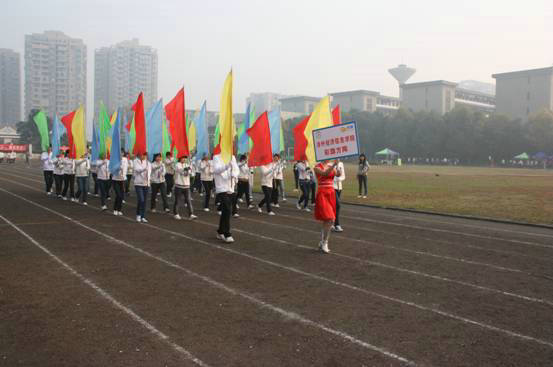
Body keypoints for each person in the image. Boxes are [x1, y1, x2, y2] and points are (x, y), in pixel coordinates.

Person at [314, 160, 341, 253]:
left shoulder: (331, 164)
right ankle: (325, 242)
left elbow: (338, 174)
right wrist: (334, 165)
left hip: (331, 193)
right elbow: (325, 174)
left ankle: (322, 242)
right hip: (322, 193)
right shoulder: (317, 167)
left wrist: (338, 166)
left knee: (328, 220)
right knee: (330, 218)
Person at [212, 153, 239, 243]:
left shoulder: (232, 157)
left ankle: (220, 231)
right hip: (221, 188)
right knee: (228, 208)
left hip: (230, 187)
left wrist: (234, 174)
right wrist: (227, 166)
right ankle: (227, 233)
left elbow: (236, 169)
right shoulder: (216, 157)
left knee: (225, 211)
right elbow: (216, 170)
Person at [173, 155, 197, 220]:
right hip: (179, 185)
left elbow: (190, 173)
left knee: (188, 200)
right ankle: (176, 213)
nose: (184, 159)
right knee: (177, 200)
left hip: (187, 186)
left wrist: (190, 168)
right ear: (180, 158)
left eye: (185, 158)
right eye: (183, 158)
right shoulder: (177, 164)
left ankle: (191, 214)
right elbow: (180, 171)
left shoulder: (187, 164)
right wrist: (187, 168)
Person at [134, 152, 151, 223]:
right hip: (138, 183)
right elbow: (137, 170)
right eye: (142, 154)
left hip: (146, 184)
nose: (143, 156)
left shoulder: (148, 163)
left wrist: (148, 180)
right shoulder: (135, 161)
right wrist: (144, 169)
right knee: (141, 199)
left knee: (145, 201)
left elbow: (149, 173)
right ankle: (138, 214)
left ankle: (143, 216)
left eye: (145, 155)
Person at [112, 149, 128, 216]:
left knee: (121, 196)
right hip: (115, 180)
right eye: (120, 152)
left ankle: (119, 209)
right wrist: (119, 166)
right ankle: (115, 209)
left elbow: (125, 168)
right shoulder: (115, 159)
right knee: (118, 195)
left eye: (122, 152)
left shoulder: (125, 159)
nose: (121, 153)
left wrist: (124, 176)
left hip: (122, 180)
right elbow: (113, 168)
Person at [332, 160, 345, 232]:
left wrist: (339, 179)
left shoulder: (341, 163)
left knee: (335, 206)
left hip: (339, 187)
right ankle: (337, 224)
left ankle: (332, 222)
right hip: (332, 187)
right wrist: (334, 179)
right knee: (338, 205)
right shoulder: (330, 164)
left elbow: (343, 176)